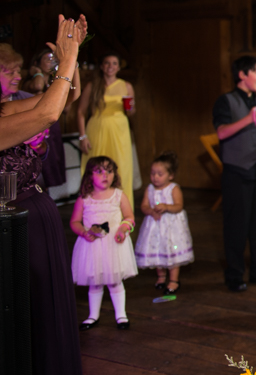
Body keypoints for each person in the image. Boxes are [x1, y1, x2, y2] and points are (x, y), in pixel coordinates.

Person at [0, 16, 87, 375]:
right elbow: (50, 111)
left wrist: (72, 60)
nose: (15, 75)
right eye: (8, 70)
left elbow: (62, 101)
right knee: (25, 324)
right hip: (10, 231)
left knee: (48, 324)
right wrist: (65, 62)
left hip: (38, 219)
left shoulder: (7, 106)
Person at [212, 55, 256, 292]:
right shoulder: (226, 101)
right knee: (236, 225)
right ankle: (234, 274)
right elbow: (221, 133)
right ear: (243, 75)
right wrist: (248, 119)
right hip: (237, 171)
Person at [71, 156, 138, 330]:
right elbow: (74, 222)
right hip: (92, 246)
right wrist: (84, 233)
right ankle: (93, 316)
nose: (105, 175)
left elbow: (129, 217)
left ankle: (121, 315)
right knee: (95, 282)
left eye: (109, 171)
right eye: (99, 171)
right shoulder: (84, 199)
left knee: (115, 281)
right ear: (89, 176)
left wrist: (123, 229)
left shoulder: (118, 195)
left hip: (113, 246)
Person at [78, 53, 136, 210]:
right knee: (96, 168)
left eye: (114, 63)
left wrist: (128, 106)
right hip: (97, 129)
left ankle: (122, 210)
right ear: (102, 66)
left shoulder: (127, 86)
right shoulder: (93, 86)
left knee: (121, 167)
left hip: (119, 130)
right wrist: (83, 136)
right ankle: (93, 208)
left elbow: (131, 112)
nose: (111, 66)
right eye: (107, 63)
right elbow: (81, 112)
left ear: (118, 67)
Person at [134, 151, 193, 295]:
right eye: (152, 174)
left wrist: (166, 207)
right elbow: (144, 206)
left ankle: (174, 280)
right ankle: (161, 276)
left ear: (170, 175)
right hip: (155, 227)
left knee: (172, 252)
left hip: (171, 228)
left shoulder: (173, 189)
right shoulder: (150, 189)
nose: (155, 177)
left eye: (160, 174)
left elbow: (179, 206)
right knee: (158, 251)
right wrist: (151, 211)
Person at [25, 49, 68, 188]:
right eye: (47, 59)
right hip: (38, 128)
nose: (52, 62)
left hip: (53, 127)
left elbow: (66, 108)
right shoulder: (32, 82)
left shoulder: (54, 83)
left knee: (52, 164)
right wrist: (36, 72)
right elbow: (38, 86)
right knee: (40, 168)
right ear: (37, 62)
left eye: (54, 59)